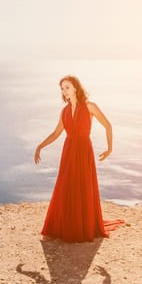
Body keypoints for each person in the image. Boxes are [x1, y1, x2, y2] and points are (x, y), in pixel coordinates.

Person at [34, 75, 124, 243]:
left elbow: (107, 125)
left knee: (83, 186)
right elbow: (56, 134)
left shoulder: (90, 106)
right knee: (66, 186)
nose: (64, 91)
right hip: (68, 151)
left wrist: (109, 148)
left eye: (67, 87)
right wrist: (40, 146)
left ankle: (83, 226)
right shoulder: (65, 111)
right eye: (62, 88)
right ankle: (66, 226)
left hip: (84, 151)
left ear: (75, 87)